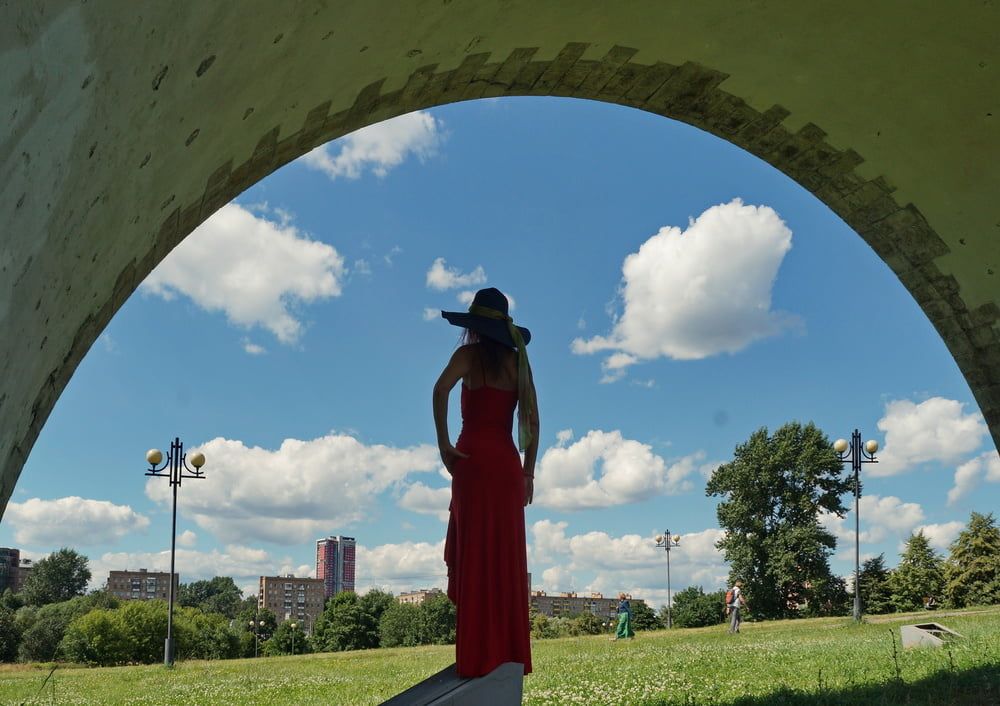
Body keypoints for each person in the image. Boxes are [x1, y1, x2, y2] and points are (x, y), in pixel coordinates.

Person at [434, 288, 538, 678]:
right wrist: (528, 471)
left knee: (476, 555)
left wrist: (444, 445)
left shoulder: (467, 356)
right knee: (506, 558)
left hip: (471, 462)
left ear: (474, 326)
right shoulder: (518, 365)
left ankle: (476, 656)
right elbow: (533, 421)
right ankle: (506, 653)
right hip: (507, 466)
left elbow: (439, 390)